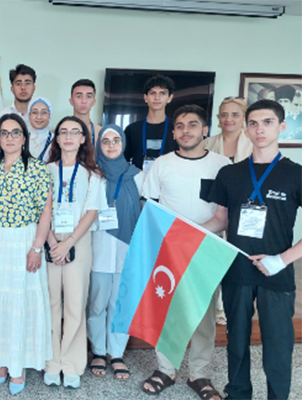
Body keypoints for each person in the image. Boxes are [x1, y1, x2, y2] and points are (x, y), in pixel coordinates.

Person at [203, 99, 302, 400]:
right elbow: (220, 220)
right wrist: (180, 230)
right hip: (237, 268)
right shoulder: (229, 174)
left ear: (282, 127)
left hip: (276, 271)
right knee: (236, 341)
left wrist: (282, 260)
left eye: (268, 122)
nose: (260, 129)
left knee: (278, 344)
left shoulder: (296, 174)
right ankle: (238, 394)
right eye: (254, 123)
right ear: (246, 129)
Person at [141, 105, 229, 400]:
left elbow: (226, 212)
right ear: (174, 132)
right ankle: (165, 369)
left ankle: (199, 373)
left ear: (205, 130)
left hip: (207, 248)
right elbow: (149, 207)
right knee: (168, 310)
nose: (185, 130)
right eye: (179, 125)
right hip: (169, 248)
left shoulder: (222, 165)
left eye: (192, 124)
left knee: (204, 313)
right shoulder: (161, 164)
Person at [0, 113, 53, 395]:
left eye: (15, 132)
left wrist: (37, 247)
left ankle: (17, 367)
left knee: (20, 301)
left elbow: (46, 212)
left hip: (24, 241)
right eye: (4, 133)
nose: (10, 138)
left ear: (24, 138)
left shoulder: (38, 169)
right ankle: (0, 363)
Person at [43, 116, 104, 389]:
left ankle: (71, 364)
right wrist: (52, 242)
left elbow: (91, 212)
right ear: (57, 138)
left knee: (75, 304)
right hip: (49, 239)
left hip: (78, 240)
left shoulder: (93, 174)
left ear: (82, 139)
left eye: (74, 132)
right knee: (50, 303)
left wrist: (68, 243)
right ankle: (51, 362)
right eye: (63, 132)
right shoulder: (44, 171)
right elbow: (38, 210)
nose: (68, 136)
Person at [88, 124, 144, 382]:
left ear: (123, 144)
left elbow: (147, 212)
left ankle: (116, 353)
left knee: (121, 302)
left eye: (116, 140)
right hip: (98, 247)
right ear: (98, 145)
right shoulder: (92, 175)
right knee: (97, 302)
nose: (111, 145)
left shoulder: (138, 176)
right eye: (105, 141)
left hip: (127, 248)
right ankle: (98, 350)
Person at [204, 96, 252, 325]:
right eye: (224, 114)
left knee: (237, 259)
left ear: (243, 118)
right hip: (214, 206)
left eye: (235, 114)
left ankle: (232, 307)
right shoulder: (208, 143)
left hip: (245, 209)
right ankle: (214, 307)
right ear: (218, 118)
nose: (229, 119)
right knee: (214, 257)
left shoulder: (254, 144)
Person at [124, 74, 178, 172]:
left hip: (168, 179)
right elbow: (124, 160)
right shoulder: (132, 130)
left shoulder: (176, 129)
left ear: (169, 98)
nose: (157, 97)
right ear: (145, 98)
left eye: (162, 93)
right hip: (138, 179)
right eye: (153, 93)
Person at [69, 79, 102, 145]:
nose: (84, 101)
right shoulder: (62, 131)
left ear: (94, 102)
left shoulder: (101, 132)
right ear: (71, 101)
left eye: (89, 96)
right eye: (79, 96)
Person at [27, 97, 54, 161]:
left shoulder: (56, 140)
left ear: (50, 115)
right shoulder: (22, 139)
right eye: (34, 112)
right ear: (29, 115)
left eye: (44, 112)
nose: (39, 117)